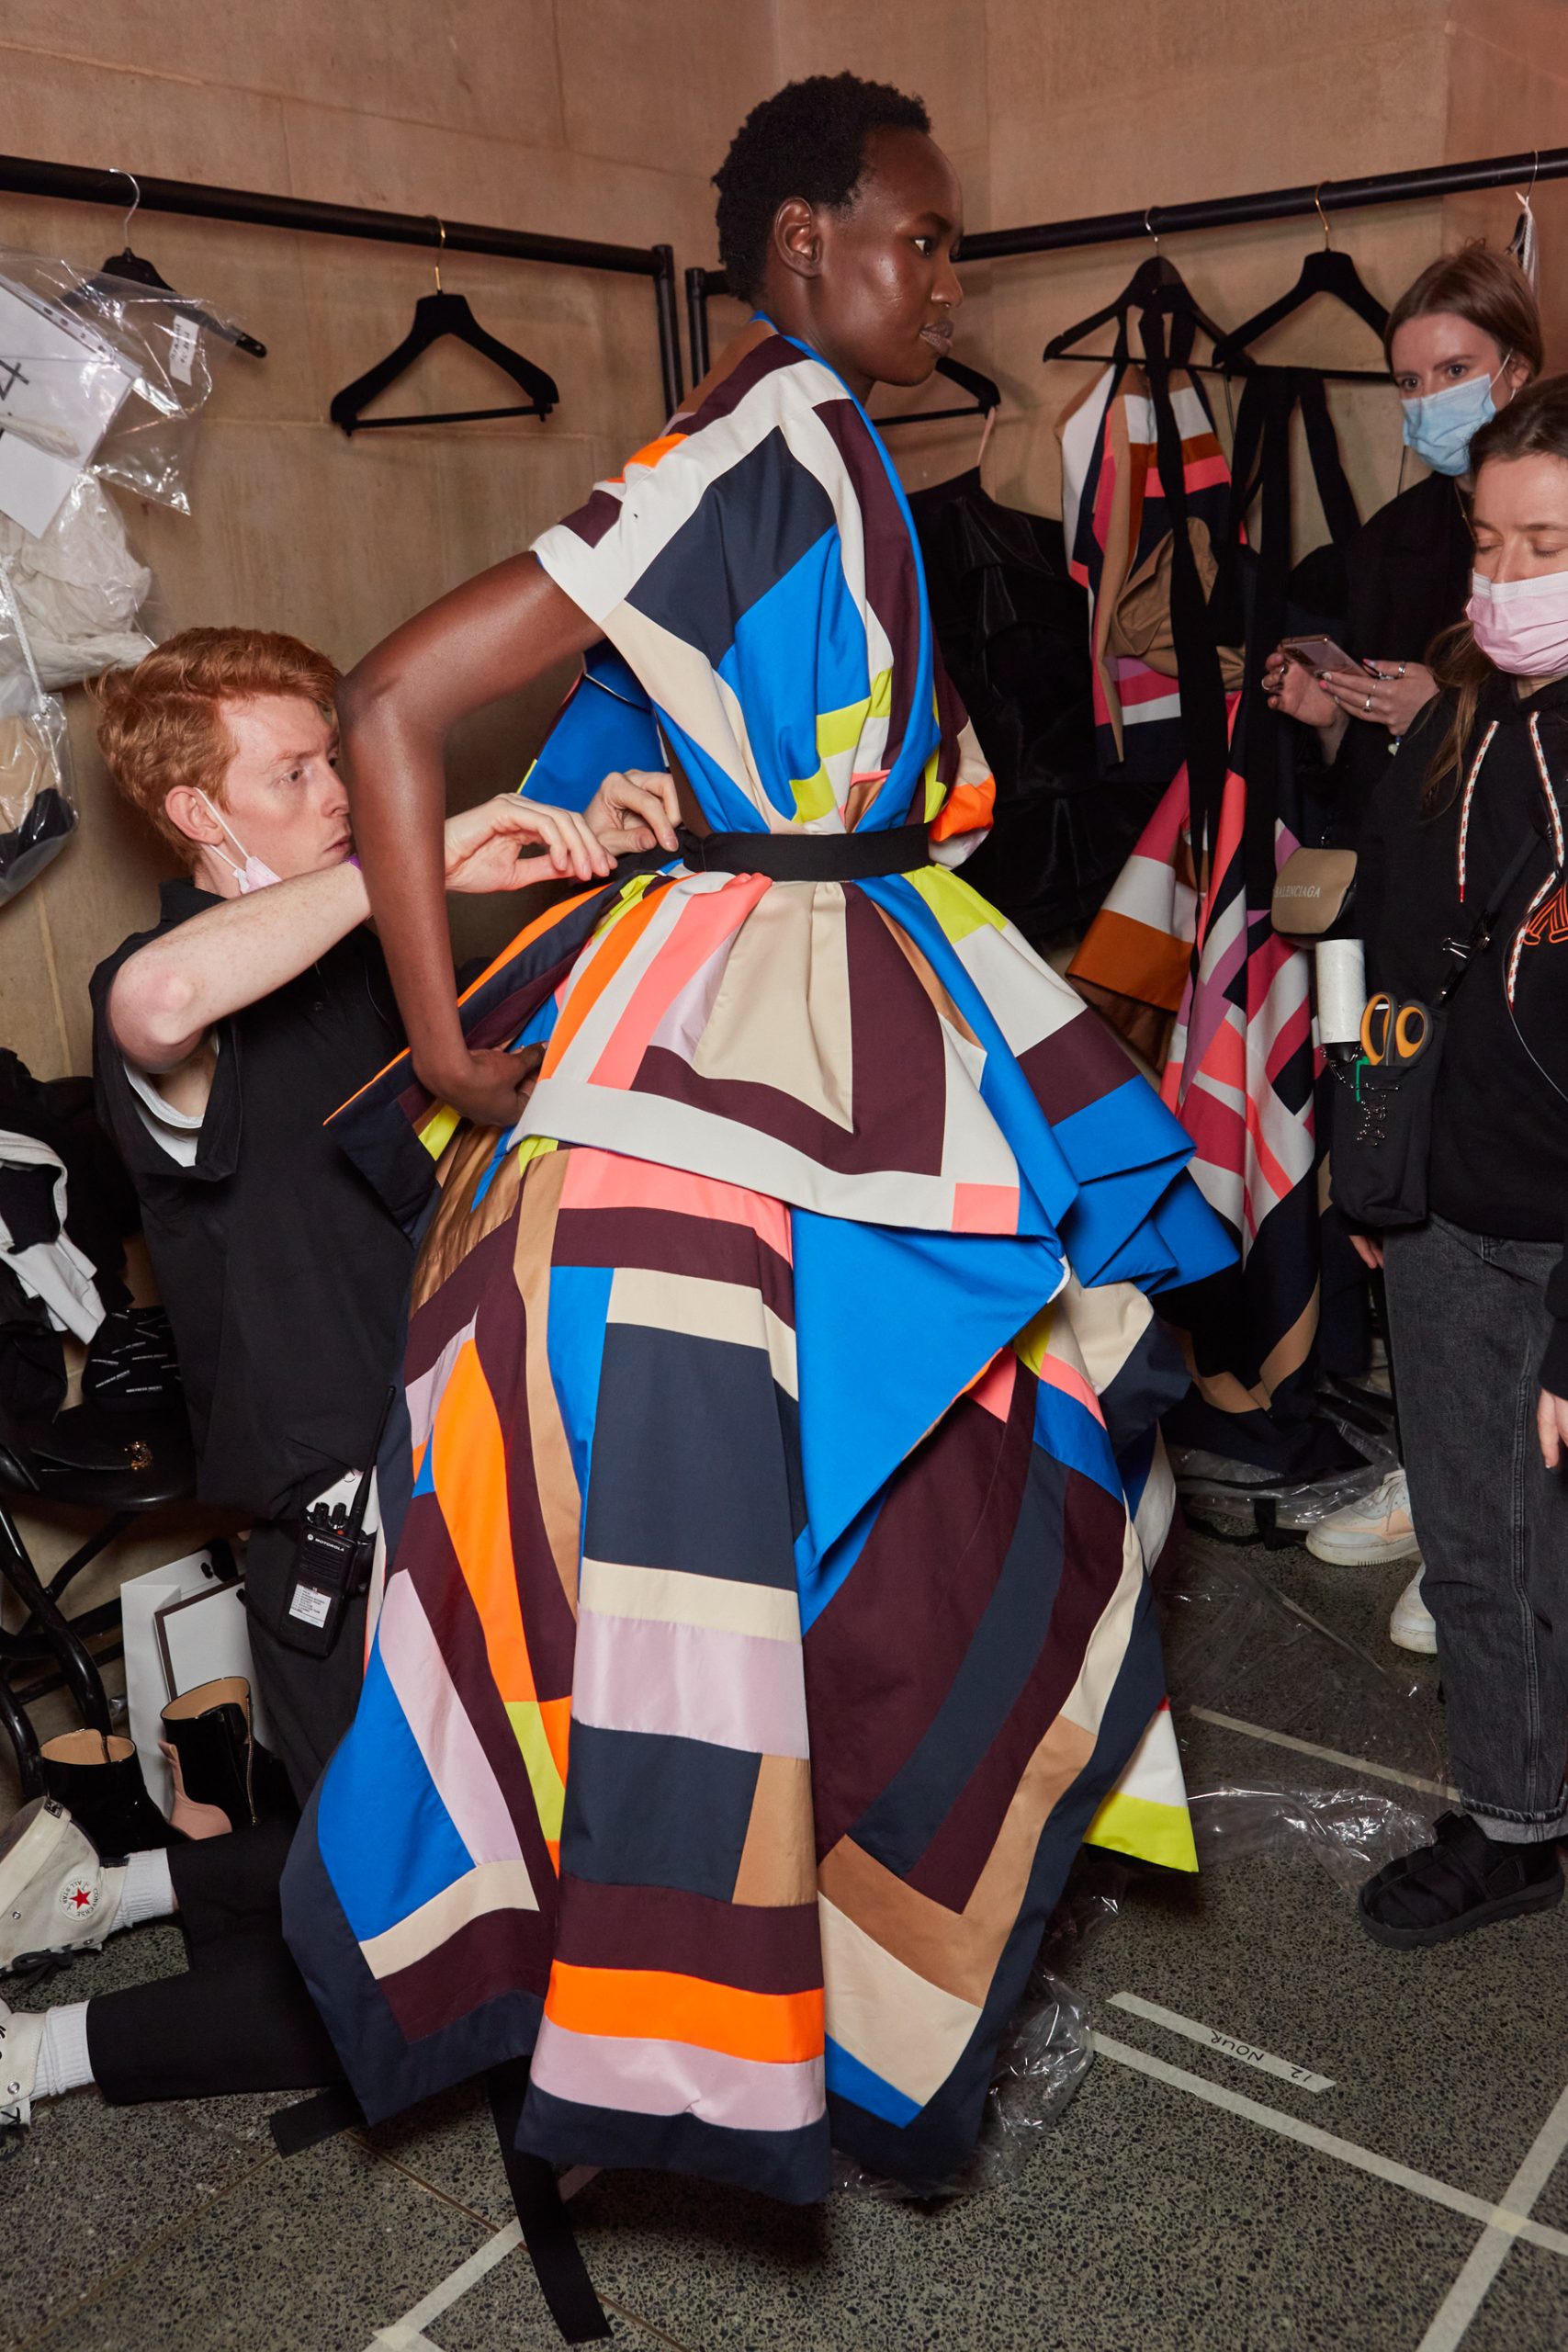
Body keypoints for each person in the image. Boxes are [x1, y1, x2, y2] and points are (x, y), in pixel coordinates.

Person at [281, 72, 1230, 2213]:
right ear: (805, 239)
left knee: (877, 1512)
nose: (948, 278)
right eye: (920, 236)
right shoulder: (750, 439)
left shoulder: (819, 434)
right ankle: (741, 1990)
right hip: (758, 1044)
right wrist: (441, 1040)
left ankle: (838, 1962)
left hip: (835, 1001)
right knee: (766, 1541)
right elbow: (391, 701)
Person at [89, 627, 644, 1800]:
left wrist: (598, 841)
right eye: (293, 774)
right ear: (197, 813)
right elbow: (161, 998)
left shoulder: (360, 960)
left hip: (463, 1457)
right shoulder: (158, 983)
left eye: (335, 762)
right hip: (338, 1528)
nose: (339, 794)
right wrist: (410, 859)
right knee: (371, 1868)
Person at [1261, 245, 1543, 1637]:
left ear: (1516, 371)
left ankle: (1496, 1512)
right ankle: (1437, 1473)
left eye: (1452, 373)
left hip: (1509, 942)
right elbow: (1372, 773)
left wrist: (1440, 712)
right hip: (1392, 916)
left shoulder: (1545, 539)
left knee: (1497, 1220)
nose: (1428, 402)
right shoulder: (1386, 540)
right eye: (1407, 381)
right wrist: (1331, 715)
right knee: (1384, 1189)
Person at [1349, 373, 1568, 1947]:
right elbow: (1382, 958)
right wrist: (1371, 1170)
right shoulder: (1447, 724)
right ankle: (1512, 1818)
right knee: (1475, 1542)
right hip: (1444, 1212)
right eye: (1486, 545)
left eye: (1542, 547)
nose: (1503, 580)